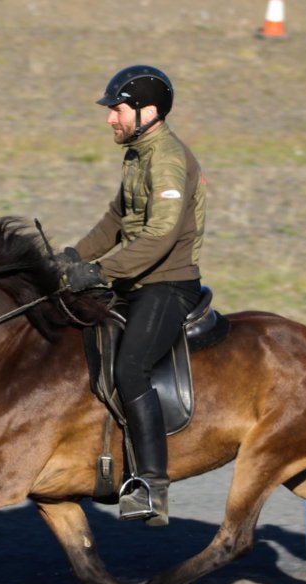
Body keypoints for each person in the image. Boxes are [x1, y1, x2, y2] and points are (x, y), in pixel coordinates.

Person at [60, 64, 207, 527]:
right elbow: (115, 220)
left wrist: (98, 271)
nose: (110, 119)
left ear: (149, 112)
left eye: (117, 110)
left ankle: (151, 485)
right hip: (133, 281)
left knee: (130, 366)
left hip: (167, 285)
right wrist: (68, 259)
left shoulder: (166, 159)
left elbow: (160, 237)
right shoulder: (136, 154)